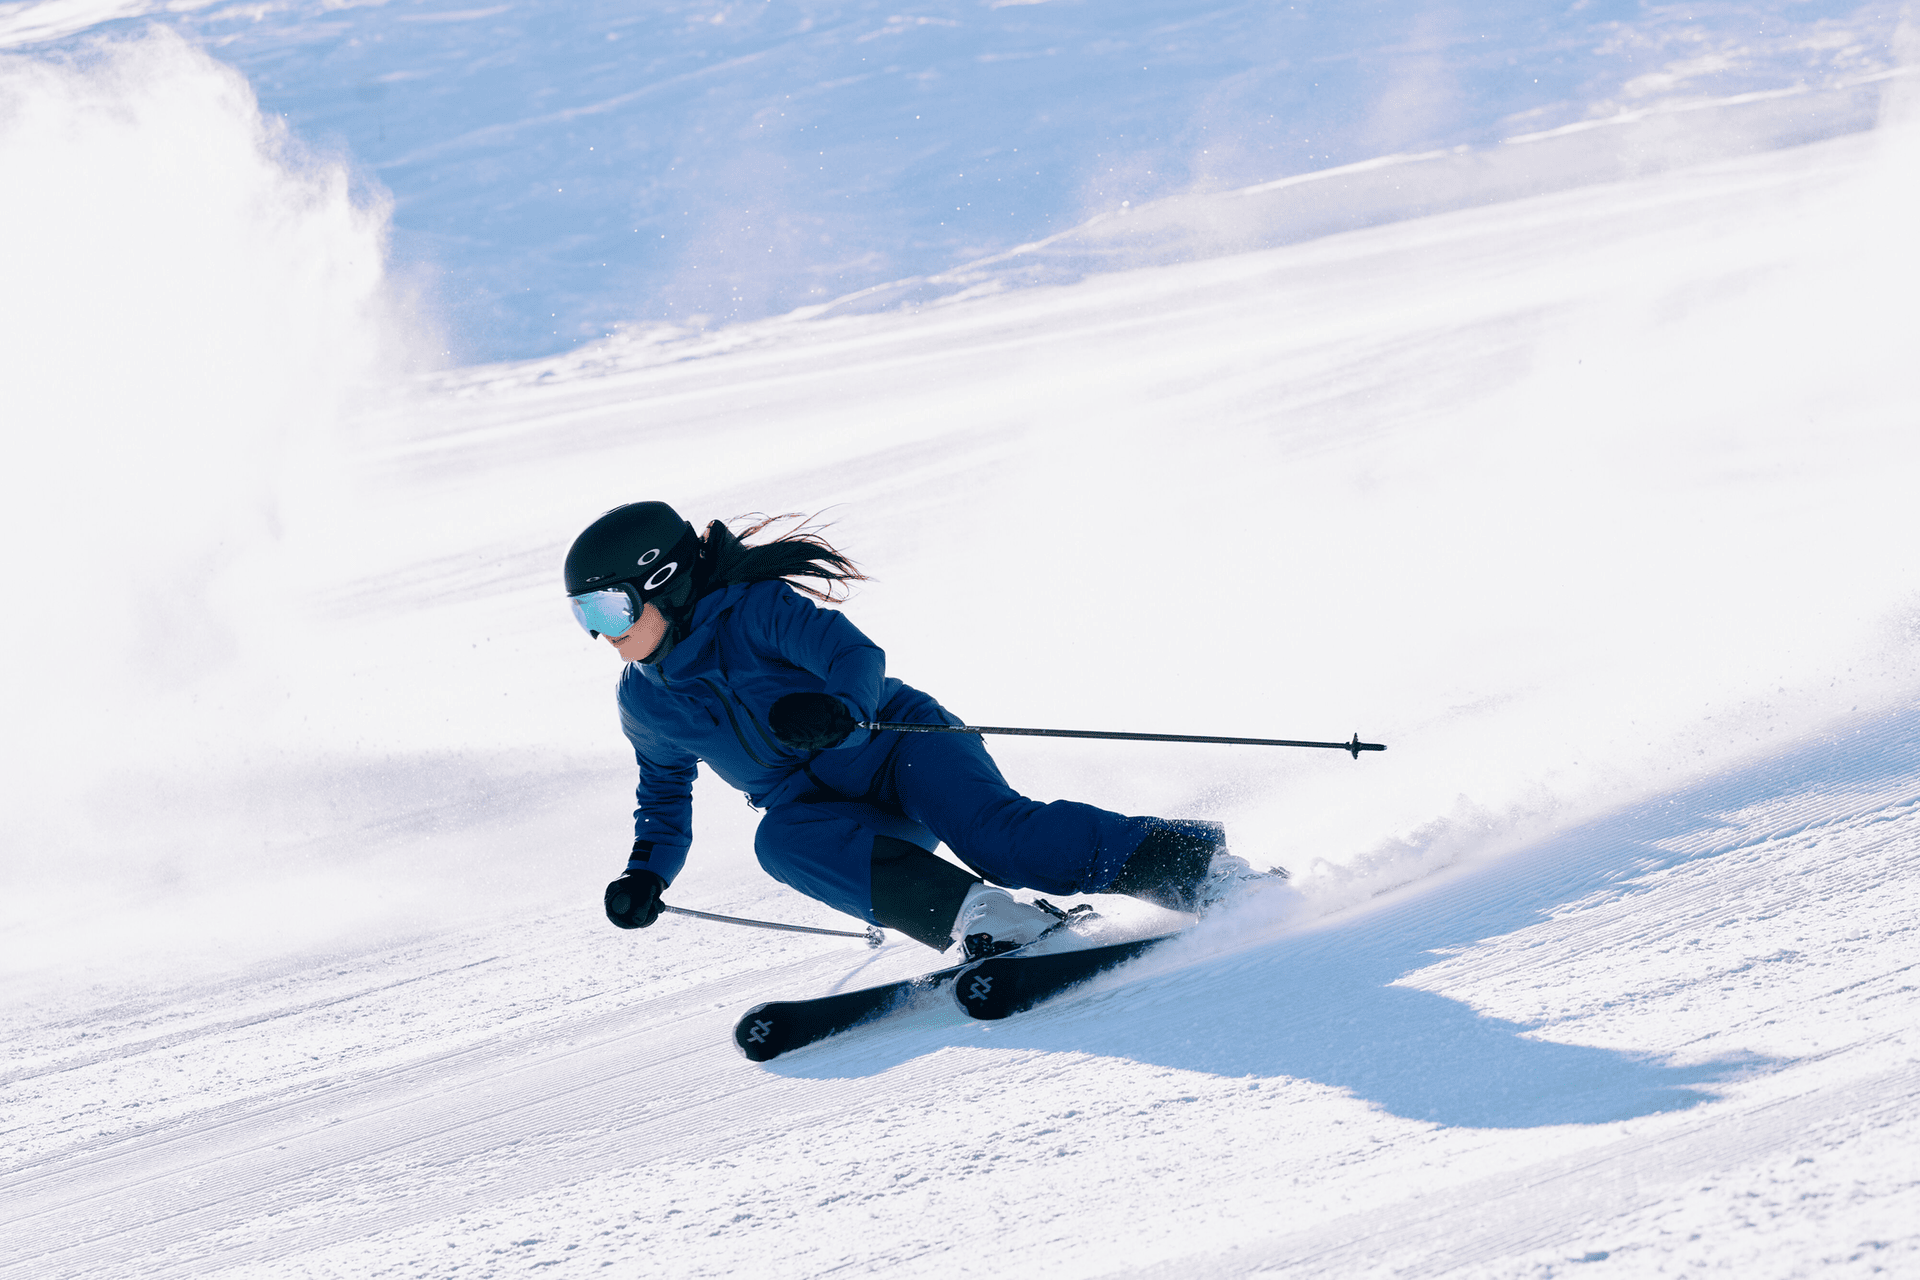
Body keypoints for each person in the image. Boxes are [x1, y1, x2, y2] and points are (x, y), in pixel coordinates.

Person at [565, 501, 1266, 958]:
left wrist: (841, 711)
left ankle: (1202, 872)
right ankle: (992, 923)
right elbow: (663, 800)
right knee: (779, 840)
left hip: (902, 744)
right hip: (826, 810)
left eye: (609, 609)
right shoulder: (646, 703)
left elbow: (853, 655)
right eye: (584, 618)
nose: (601, 634)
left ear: (665, 583)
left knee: (1001, 839)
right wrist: (646, 875)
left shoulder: (755, 612)